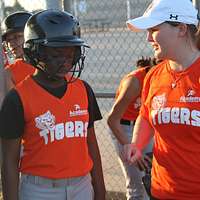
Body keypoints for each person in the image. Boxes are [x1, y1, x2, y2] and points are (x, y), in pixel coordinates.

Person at [0, 9, 106, 200]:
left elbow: (91, 143)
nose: (65, 60)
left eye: (70, 52)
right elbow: (9, 159)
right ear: (34, 52)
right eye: (56, 53)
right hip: (39, 190)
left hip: (81, 185)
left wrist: (100, 188)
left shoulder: (83, 89)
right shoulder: (17, 98)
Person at [124, 0, 200, 199]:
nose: (148, 38)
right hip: (161, 191)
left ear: (181, 29)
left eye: (154, 29)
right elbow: (147, 116)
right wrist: (137, 144)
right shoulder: (154, 75)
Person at [107, 57, 156, 200]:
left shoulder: (163, 79)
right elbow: (112, 119)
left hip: (144, 127)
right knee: (136, 185)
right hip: (123, 128)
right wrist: (130, 146)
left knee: (151, 178)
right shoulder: (134, 82)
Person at [2, 11, 35, 86]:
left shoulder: (51, 63)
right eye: (8, 40)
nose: (11, 44)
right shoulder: (10, 72)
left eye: (17, 36)